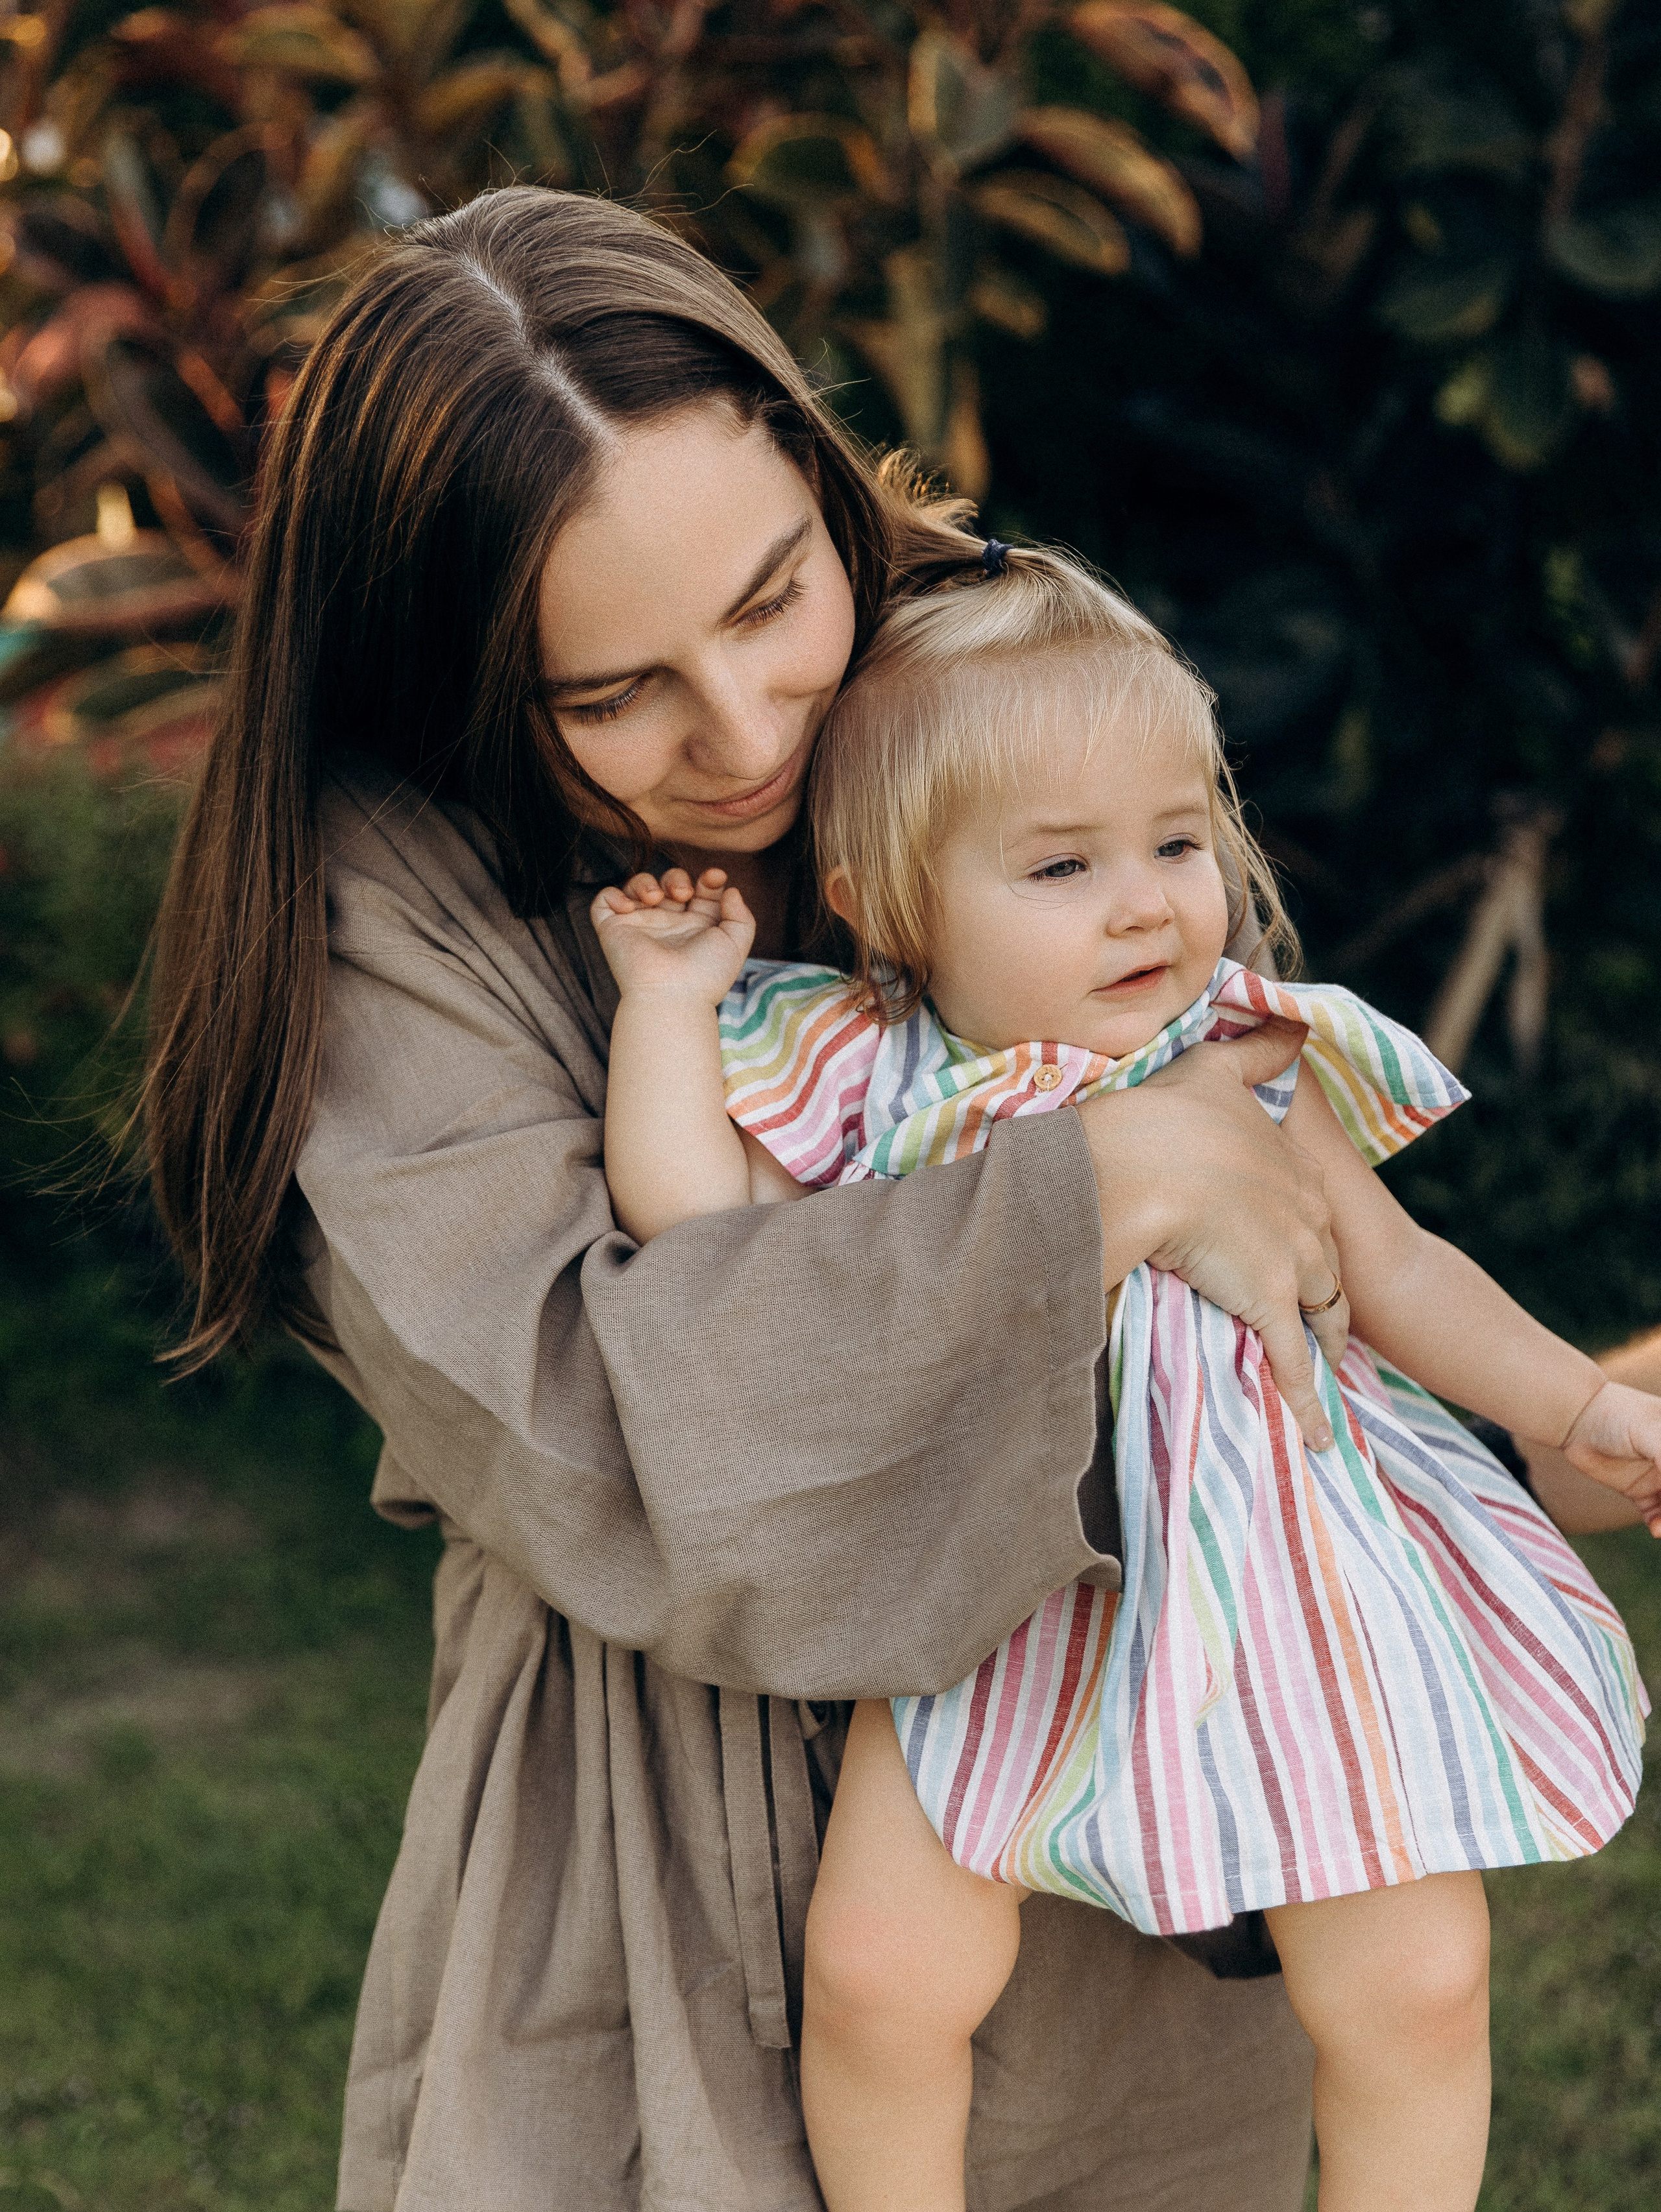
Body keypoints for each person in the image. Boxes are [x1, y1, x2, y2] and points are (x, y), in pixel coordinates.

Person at [141, 183, 1434, 2211]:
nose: (745, 739)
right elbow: (593, 1427)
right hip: (659, 1884)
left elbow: (1261, 1173)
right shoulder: (386, 904)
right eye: (608, 695)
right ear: (466, 667)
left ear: (826, 489)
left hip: (1111, 1804)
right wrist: (1093, 1186)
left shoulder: (987, 680)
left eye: (770, 605)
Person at [590, 545, 1655, 2212]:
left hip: (1284, 1578)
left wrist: (1575, 1407)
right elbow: (687, 1216)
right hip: (997, 1593)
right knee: (877, 1978)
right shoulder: (875, 1078)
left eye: (1174, 840)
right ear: (885, 902)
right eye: (1061, 865)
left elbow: (1398, 1272)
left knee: (1413, 1979)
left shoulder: (1242, 1051)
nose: (1147, 899)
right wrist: (667, 1004)